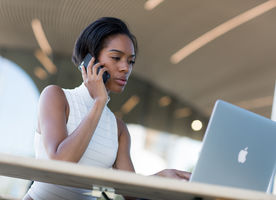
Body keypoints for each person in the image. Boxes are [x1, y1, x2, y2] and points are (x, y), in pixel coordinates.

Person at [23, 17, 190, 200]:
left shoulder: (118, 129)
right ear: (90, 59)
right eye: (116, 58)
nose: (125, 68)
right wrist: (99, 101)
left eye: (131, 61)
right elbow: (61, 161)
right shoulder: (56, 97)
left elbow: (129, 193)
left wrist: (161, 177)